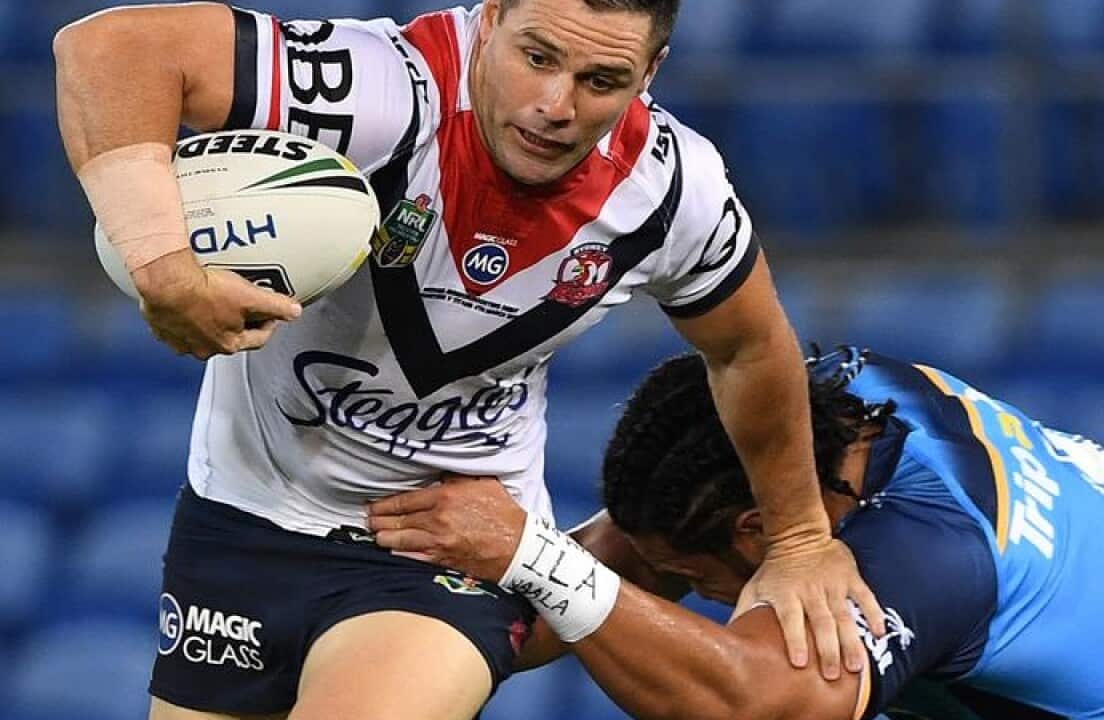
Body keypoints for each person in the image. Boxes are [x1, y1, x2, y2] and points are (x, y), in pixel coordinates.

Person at [54, 1, 884, 718]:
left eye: (601, 81)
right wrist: (162, 265)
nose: (555, 105)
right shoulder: (380, 89)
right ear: (489, 19)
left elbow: (749, 346)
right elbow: (108, 49)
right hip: (240, 522)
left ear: (652, 69)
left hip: (442, 551)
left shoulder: (672, 191)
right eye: (537, 58)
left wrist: (801, 539)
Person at [370, 346, 1104, 719]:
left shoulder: (922, 563)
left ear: (758, 528)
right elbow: (632, 553)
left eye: (698, 577)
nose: (704, 593)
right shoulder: (849, 393)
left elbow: (748, 704)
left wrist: (531, 554)